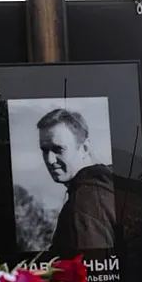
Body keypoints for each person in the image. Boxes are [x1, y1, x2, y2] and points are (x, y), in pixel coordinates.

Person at [36, 108, 115, 254]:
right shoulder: (107, 187)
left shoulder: (84, 203)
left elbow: (93, 270)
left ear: (85, 148)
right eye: (44, 150)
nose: (49, 160)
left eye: (58, 149)